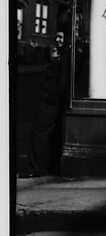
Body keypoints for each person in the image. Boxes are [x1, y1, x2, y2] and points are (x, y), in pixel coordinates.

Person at [21, 22, 71, 177]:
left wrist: (51, 100)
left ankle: (35, 168)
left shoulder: (63, 58)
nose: (58, 40)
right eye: (57, 36)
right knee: (51, 136)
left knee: (38, 133)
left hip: (52, 103)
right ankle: (48, 167)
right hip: (54, 103)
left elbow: (60, 83)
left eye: (61, 37)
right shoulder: (62, 56)